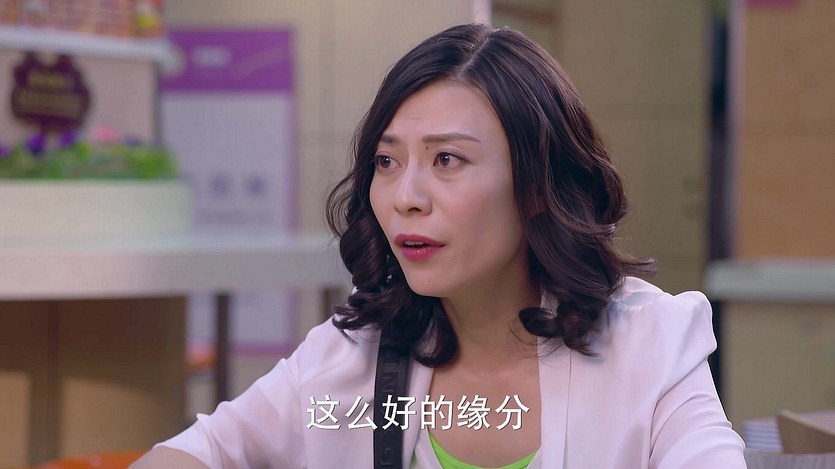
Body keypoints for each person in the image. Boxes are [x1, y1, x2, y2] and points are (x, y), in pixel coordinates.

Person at [132, 23, 747, 468]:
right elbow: (202, 451)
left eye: (447, 159)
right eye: (387, 161)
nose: (406, 196)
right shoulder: (350, 358)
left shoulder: (651, 344)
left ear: (537, 185)